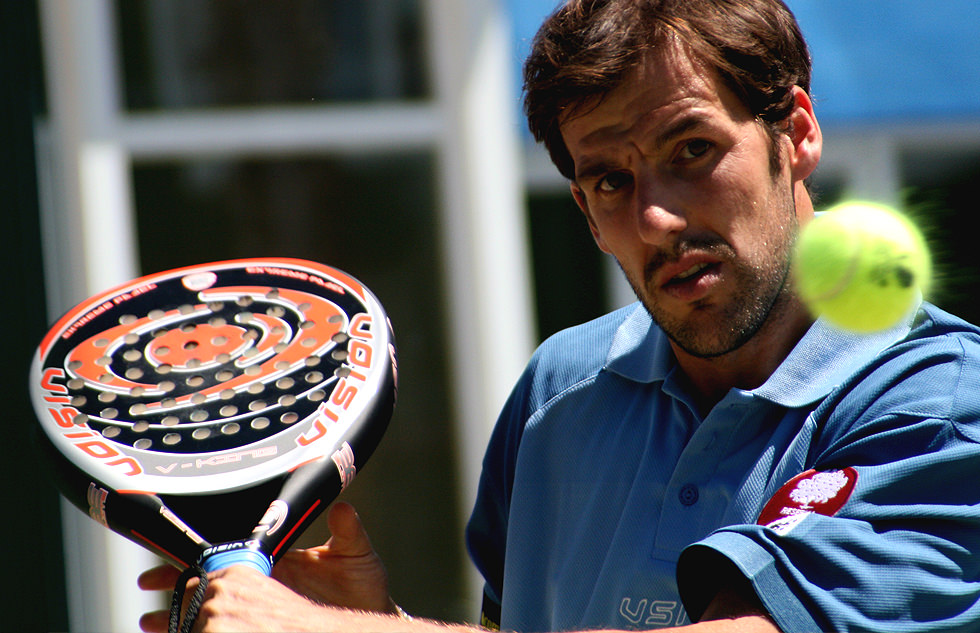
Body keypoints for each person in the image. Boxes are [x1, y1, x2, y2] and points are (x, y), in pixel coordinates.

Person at [139, 0, 980, 631]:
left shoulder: (944, 400)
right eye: (610, 181)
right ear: (582, 208)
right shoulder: (556, 390)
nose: (655, 217)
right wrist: (378, 618)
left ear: (795, 132)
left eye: (692, 150)